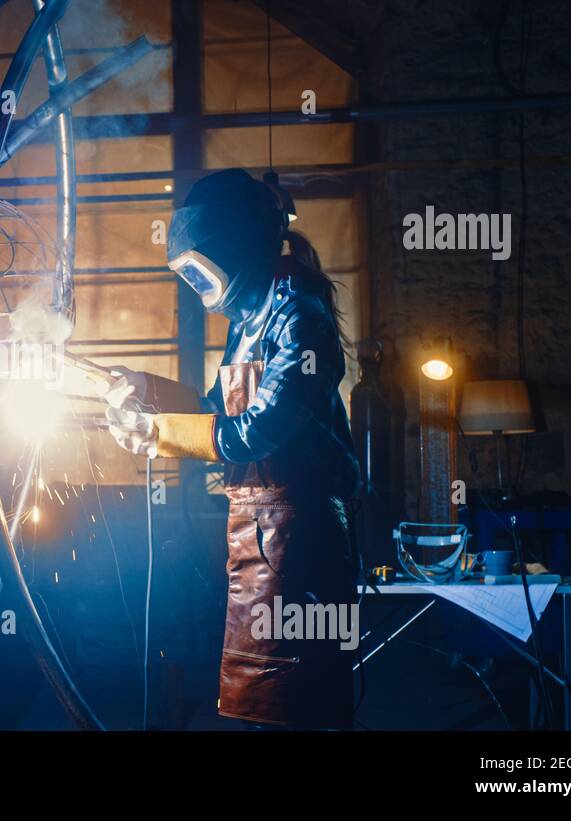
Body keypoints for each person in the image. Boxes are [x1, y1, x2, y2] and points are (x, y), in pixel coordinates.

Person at [105, 168, 360, 730]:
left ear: (236, 245)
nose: (198, 287)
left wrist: (158, 434)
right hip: (255, 546)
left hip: (305, 546)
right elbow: (217, 409)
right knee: (258, 711)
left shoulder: (300, 317)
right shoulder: (246, 323)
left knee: (303, 711)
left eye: (200, 270)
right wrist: (143, 389)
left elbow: (256, 431)